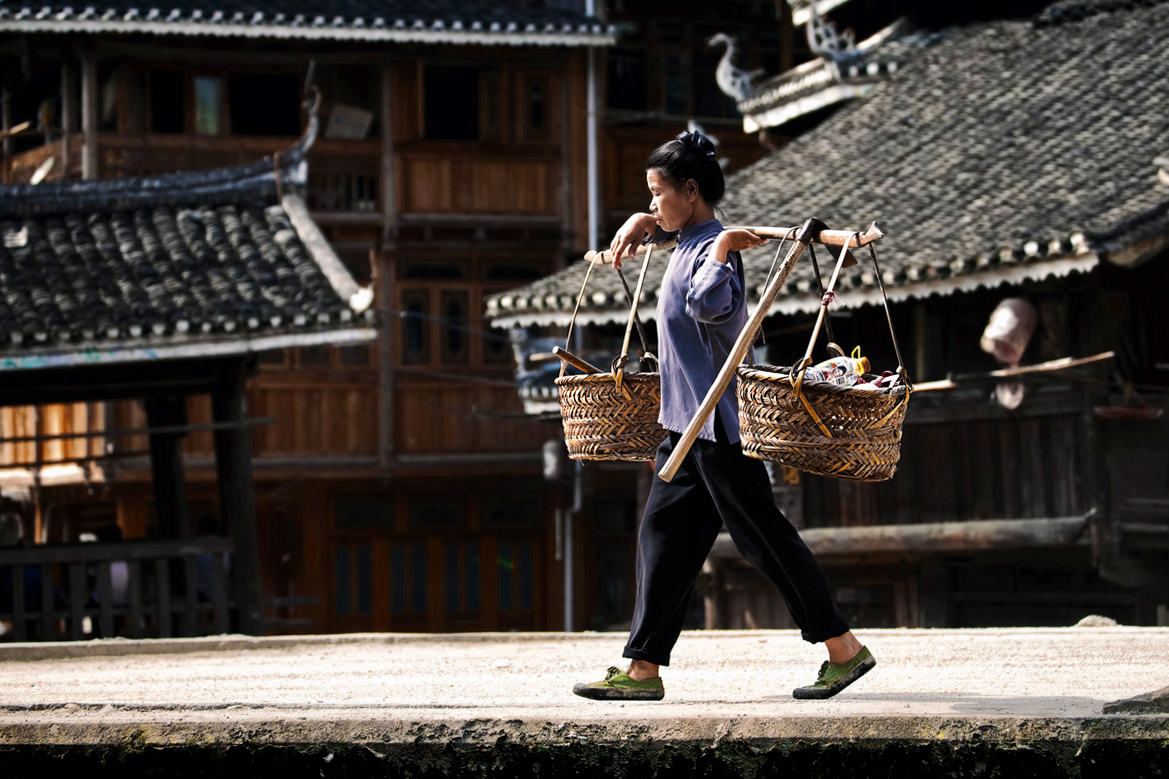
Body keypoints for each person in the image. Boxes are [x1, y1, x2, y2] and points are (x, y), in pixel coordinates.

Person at [572, 130, 874, 702]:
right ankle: (642, 670)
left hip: (718, 430)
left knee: (765, 541)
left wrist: (722, 247)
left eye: (659, 192)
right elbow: (669, 239)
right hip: (682, 430)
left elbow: (710, 305)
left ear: (691, 191)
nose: (655, 202)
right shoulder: (684, 240)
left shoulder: (719, 251)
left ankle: (844, 648)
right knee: (662, 538)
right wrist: (643, 218)